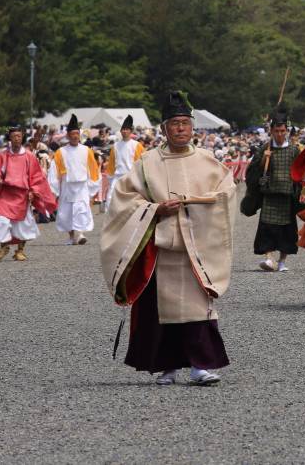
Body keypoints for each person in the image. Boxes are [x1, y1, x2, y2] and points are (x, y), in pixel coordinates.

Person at [100, 91, 237, 386]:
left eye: (185, 123)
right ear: (163, 128)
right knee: (160, 311)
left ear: (193, 128)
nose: (180, 129)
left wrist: (202, 204)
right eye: (174, 124)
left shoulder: (208, 160)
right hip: (160, 249)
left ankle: (200, 365)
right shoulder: (148, 163)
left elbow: (227, 194)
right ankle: (168, 366)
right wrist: (154, 209)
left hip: (196, 249)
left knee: (197, 308)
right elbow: (123, 200)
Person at [0, 125, 57, 261]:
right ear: (10, 138)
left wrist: (34, 190)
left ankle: (20, 250)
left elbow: (36, 176)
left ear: (22, 138)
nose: (16, 139)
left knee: (22, 224)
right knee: (2, 221)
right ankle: (4, 246)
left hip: (22, 195)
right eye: (14, 136)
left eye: (19, 136)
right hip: (6, 193)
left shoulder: (28, 156)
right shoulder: (3, 155)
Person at [251, 112, 300, 272]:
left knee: (286, 229)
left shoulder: (293, 150)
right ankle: (269, 258)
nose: (279, 134)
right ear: (271, 131)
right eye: (276, 131)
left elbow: (300, 171)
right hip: (269, 194)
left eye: (282, 131)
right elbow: (253, 171)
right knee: (267, 227)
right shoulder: (265, 148)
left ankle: (282, 262)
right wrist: (264, 159)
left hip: (287, 194)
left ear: (286, 131)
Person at [48, 115, 101, 245]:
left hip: (82, 185)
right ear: (68, 135)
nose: (75, 136)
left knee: (81, 209)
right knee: (67, 211)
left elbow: (93, 169)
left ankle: (80, 234)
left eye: (77, 133)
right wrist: (54, 189)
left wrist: (92, 186)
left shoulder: (87, 151)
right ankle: (71, 236)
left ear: (80, 135)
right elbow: (54, 171)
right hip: (67, 185)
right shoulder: (61, 152)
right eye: (72, 134)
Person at [106, 115, 144, 197]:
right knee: (111, 198)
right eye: (123, 129)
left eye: (127, 129)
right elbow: (111, 164)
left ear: (131, 131)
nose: (124, 131)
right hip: (118, 177)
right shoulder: (115, 146)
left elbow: (141, 163)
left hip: (131, 177)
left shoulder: (137, 145)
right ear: (120, 131)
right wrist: (110, 177)